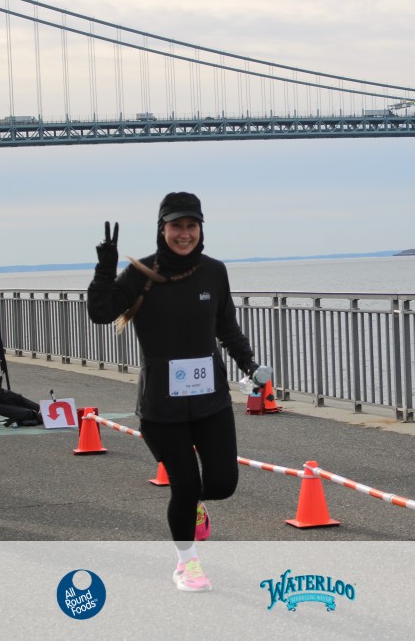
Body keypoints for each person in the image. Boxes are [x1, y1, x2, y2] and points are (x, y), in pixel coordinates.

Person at [87, 192, 270, 592]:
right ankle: (187, 564)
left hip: (210, 401)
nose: (184, 234)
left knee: (222, 483)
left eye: (191, 225)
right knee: (183, 485)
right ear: (162, 229)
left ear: (201, 228)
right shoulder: (140, 274)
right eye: (176, 226)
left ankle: (192, 506)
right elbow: (100, 313)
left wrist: (250, 365)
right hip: (161, 407)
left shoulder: (214, 272)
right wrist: (105, 267)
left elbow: (226, 326)